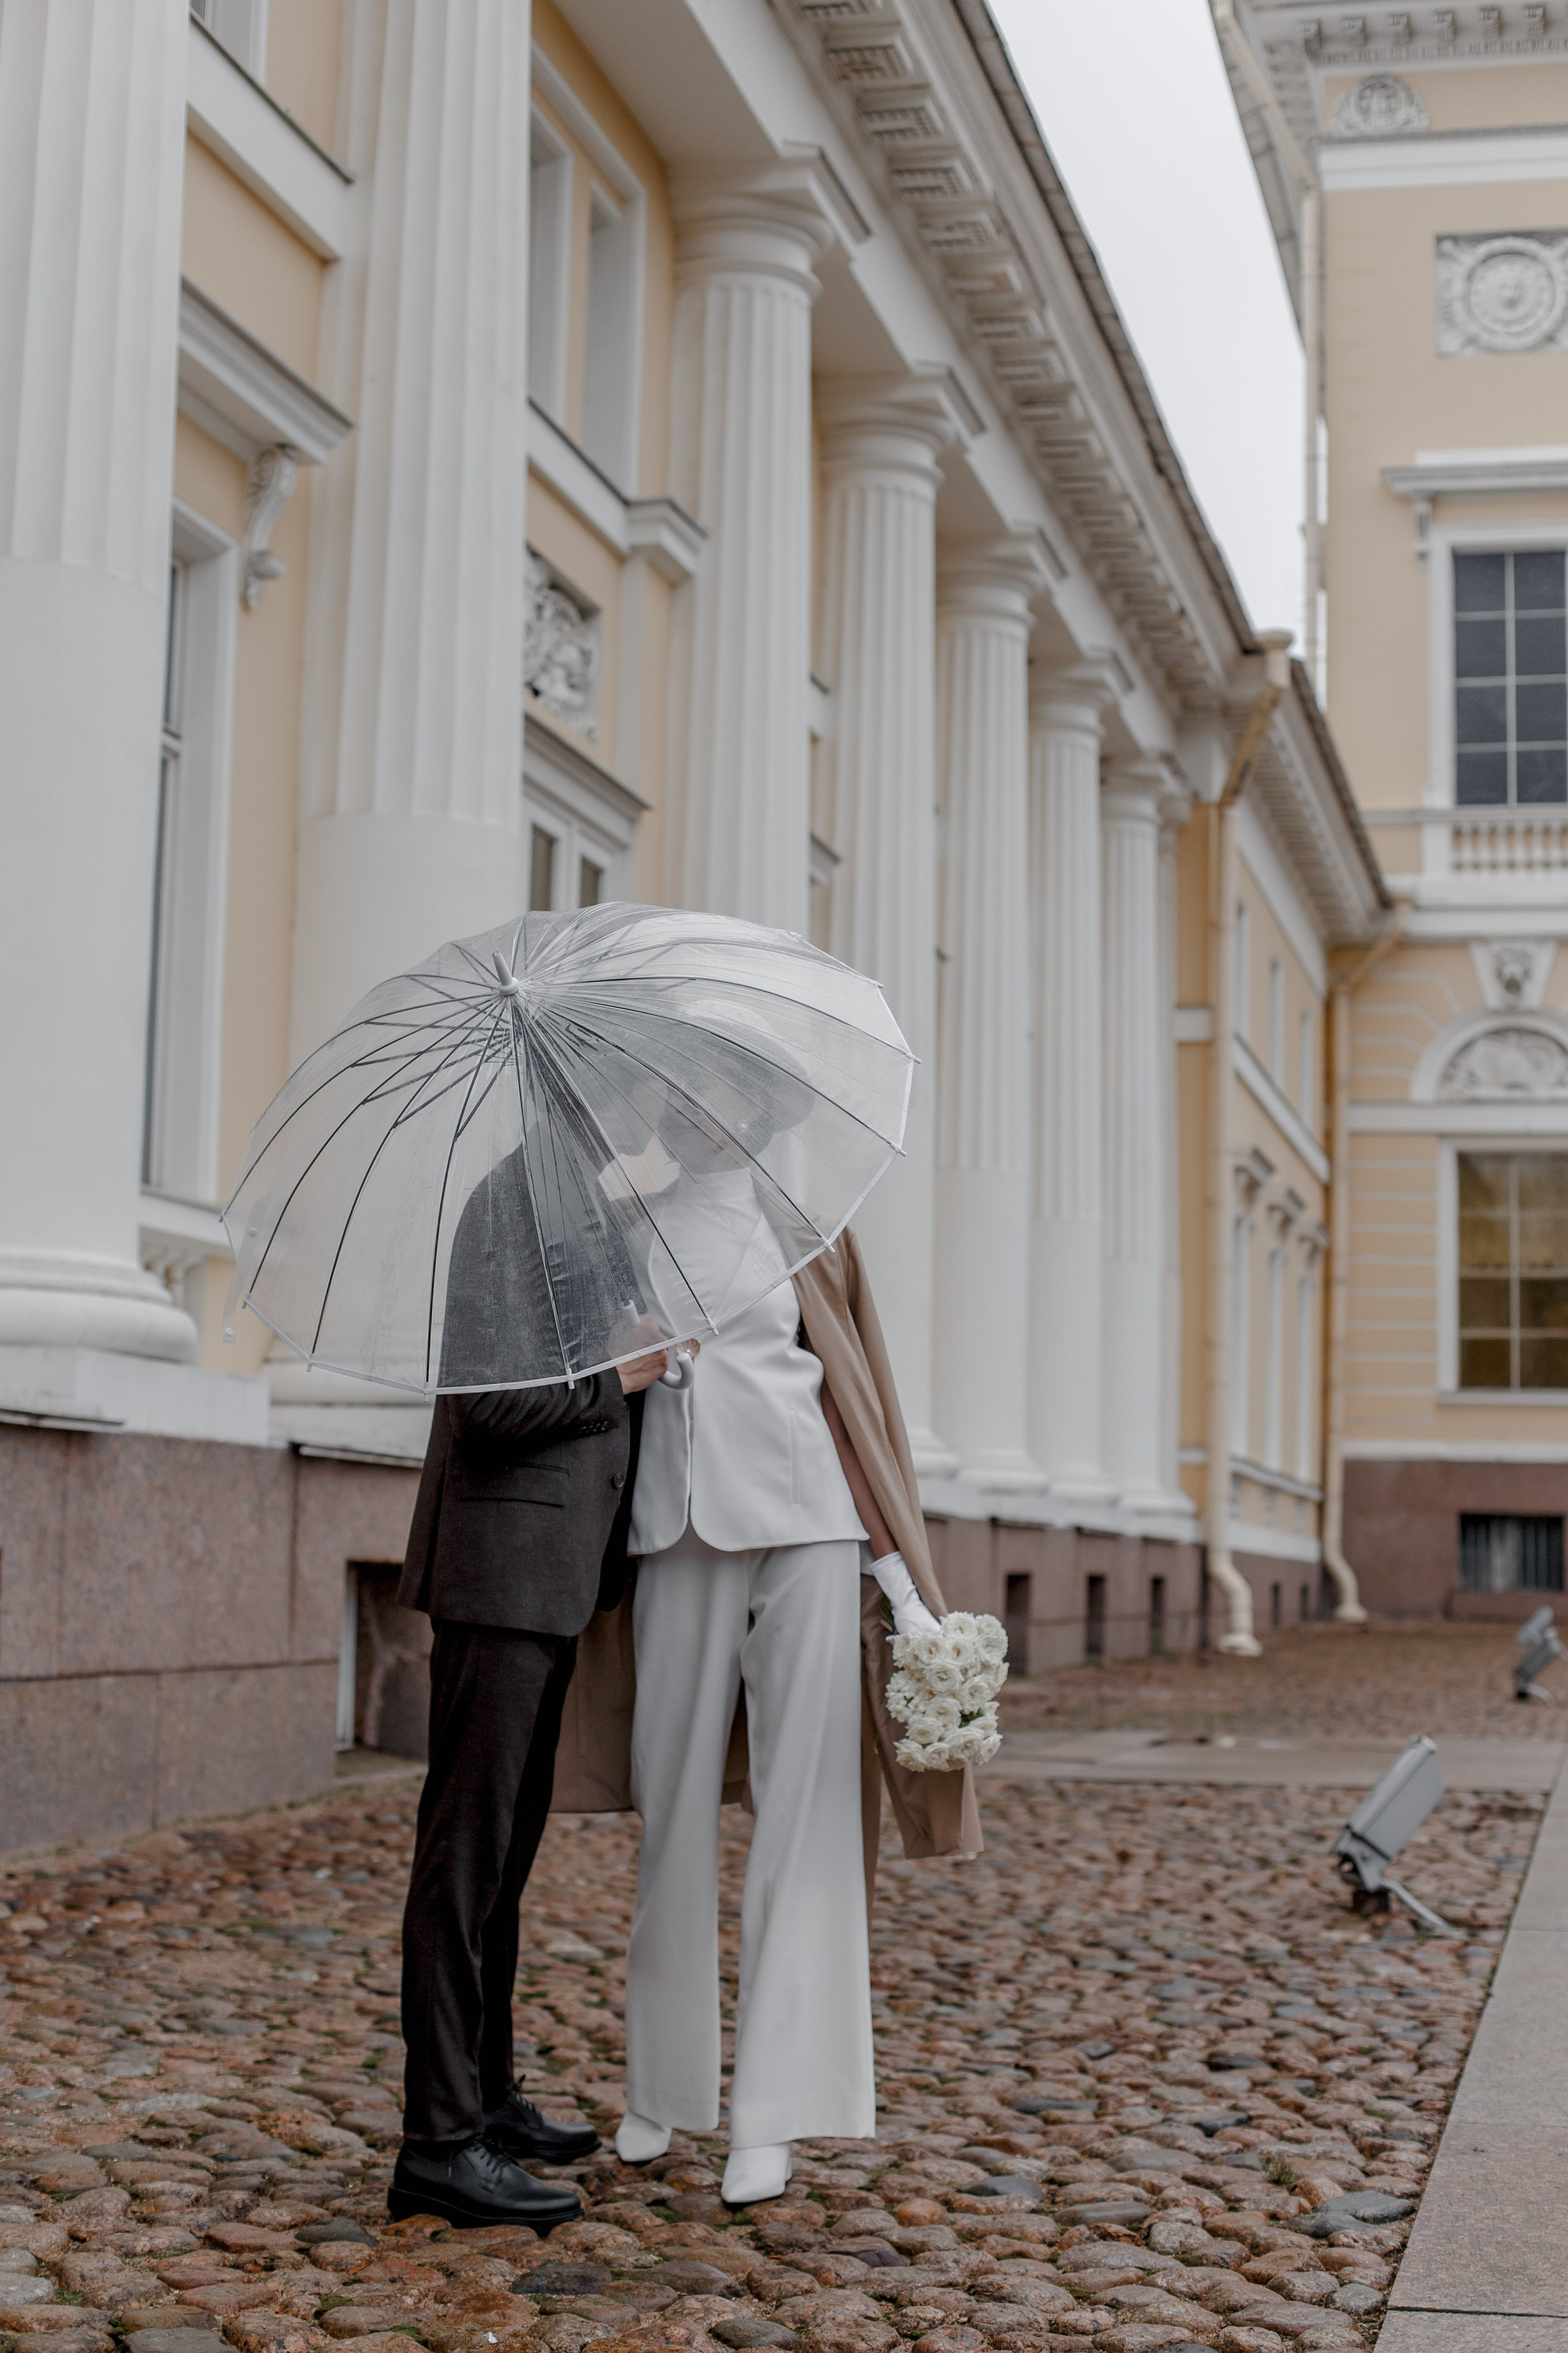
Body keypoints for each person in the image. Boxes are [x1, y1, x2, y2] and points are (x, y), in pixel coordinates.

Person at [607, 1161, 958, 2208]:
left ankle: (776, 2110)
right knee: (670, 1807)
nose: (710, 1115)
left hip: (810, 1528)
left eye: (734, 1093)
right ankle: (661, 2084)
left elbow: (852, 1408)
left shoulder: (815, 1230)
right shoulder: (627, 1227)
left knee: (808, 1820)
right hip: (674, 1528)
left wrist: (896, 1574)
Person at [387, 1154, 668, 2233]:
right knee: (462, 1861)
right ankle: (440, 2143)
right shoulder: (513, 1200)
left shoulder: (580, 1198)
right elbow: (488, 1400)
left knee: (501, 1861)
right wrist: (619, 1375)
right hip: (501, 1574)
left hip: (550, 1581)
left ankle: (487, 2096)